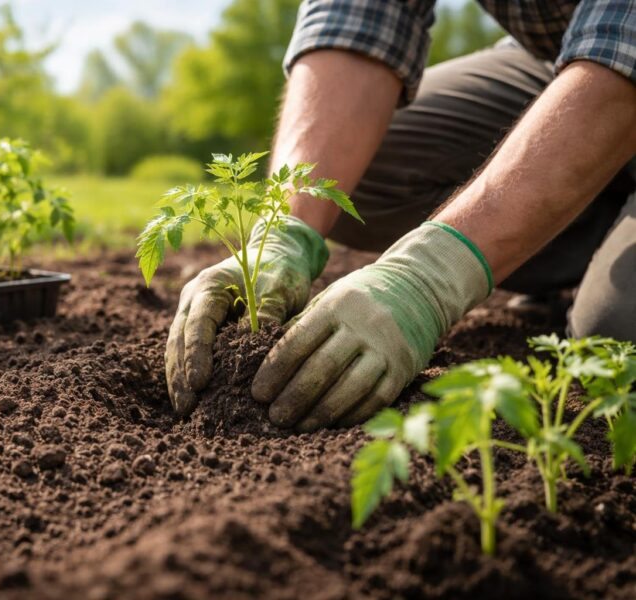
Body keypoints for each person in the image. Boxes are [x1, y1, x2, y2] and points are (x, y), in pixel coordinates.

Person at [165, 0, 636, 431]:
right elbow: (355, 15)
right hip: (560, 58)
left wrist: (430, 277)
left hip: (621, 58)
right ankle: (591, 228)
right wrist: (285, 229)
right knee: (348, 175)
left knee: (616, 336)